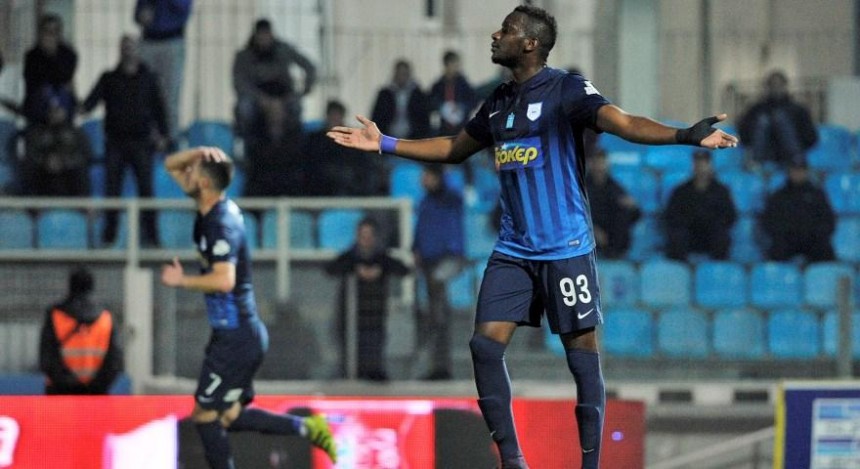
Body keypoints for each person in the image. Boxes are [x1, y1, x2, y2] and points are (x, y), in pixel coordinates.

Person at [327, 6, 737, 468]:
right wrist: (384, 143)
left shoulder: (566, 90)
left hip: (566, 248)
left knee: (581, 356)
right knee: (484, 346)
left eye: (506, 29)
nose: (495, 34)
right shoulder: (499, 101)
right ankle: (513, 460)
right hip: (514, 251)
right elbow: (455, 148)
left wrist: (685, 135)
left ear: (529, 43)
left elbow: (622, 122)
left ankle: (589, 464)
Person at [159, 146, 337, 468]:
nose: (185, 174)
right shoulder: (211, 206)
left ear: (204, 183)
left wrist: (182, 280)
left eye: (193, 171)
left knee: (205, 415)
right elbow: (170, 165)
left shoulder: (220, 224)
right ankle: (308, 427)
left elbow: (224, 279)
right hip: (234, 334)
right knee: (228, 414)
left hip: (236, 338)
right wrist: (199, 152)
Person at [81, 35, 168, 247]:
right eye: (125, 47)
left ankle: (152, 237)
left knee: (146, 191)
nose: (128, 51)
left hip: (141, 143)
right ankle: (109, 237)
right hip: (116, 142)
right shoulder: (109, 79)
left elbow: (160, 110)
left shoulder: (149, 79)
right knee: (112, 192)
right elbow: (89, 103)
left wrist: (164, 135)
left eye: (132, 47)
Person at [325, 217, 409, 381]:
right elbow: (331, 269)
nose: (366, 239)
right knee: (351, 350)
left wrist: (380, 270)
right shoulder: (350, 257)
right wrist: (356, 269)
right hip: (352, 315)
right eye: (363, 235)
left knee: (374, 348)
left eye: (369, 235)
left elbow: (403, 270)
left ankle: (374, 373)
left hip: (375, 314)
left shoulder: (382, 257)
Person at [413, 164, 465, 380]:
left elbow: (456, 194)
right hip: (427, 262)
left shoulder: (450, 199)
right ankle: (436, 366)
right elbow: (420, 230)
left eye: (427, 176)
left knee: (439, 314)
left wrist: (445, 173)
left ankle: (442, 367)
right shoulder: (425, 202)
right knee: (433, 314)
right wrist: (415, 249)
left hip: (446, 260)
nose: (423, 180)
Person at [39, 267, 123, 395]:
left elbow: (47, 358)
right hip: (95, 396)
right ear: (92, 286)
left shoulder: (55, 315)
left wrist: (68, 384)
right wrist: (95, 387)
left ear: (70, 286)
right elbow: (114, 361)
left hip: (60, 395)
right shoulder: (106, 318)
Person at [233, 18, 317, 145]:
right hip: (257, 97)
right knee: (245, 109)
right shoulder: (245, 56)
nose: (263, 39)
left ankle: (295, 144)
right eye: (260, 35)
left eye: (266, 35)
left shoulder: (284, 50)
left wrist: (304, 89)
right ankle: (247, 144)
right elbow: (239, 82)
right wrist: (261, 99)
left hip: (284, 95)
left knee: (296, 107)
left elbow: (309, 67)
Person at [135, 0, 193, 143]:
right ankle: (147, 138)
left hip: (171, 40)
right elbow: (139, 12)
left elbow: (183, 8)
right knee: (144, 93)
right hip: (149, 39)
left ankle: (171, 139)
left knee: (170, 96)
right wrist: (142, 15)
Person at [301, 100, 384, 196]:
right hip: (321, 184)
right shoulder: (315, 140)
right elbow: (311, 163)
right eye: (332, 115)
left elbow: (360, 163)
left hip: (348, 185)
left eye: (337, 115)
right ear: (327, 116)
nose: (334, 118)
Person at [664, 150, 737, 261]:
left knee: (721, 236)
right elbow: (671, 215)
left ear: (710, 166)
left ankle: (717, 267)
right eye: (698, 164)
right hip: (689, 233)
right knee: (677, 236)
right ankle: (680, 267)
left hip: (711, 233)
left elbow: (730, 215)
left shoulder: (721, 191)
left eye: (704, 164)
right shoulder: (681, 191)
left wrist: (713, 221)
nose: (701, 168)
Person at [737, 70, 818, 167]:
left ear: (785, 86)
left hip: (790, 153)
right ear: (767, 87)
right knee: (764, 120)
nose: (776, 89)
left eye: (779, 85)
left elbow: (810, 136)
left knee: (780, 118)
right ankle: (756, 161)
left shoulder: (797, 110)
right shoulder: (756, 110)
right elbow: (744, 133)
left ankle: (797, 160)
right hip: (763, 152)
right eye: (773, 85)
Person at [762, 160, 835, 263]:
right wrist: (783, 234)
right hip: (787, 240)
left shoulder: (817, 194)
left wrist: (816, 234)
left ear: (806, 172)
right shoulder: (779, 196)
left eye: (801, 170)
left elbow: (828, 220)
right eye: (795, 170)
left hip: (812, 240)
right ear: (789, 172)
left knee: (824, 252)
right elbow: (769, 220)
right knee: (777, 252)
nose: (797, 174)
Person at [21, 98, 91, 197]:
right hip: (45, 172)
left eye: (58, 110)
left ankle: (82, 203)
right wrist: (46, 161)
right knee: (29, 169)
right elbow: (31, 153)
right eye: (52, 111)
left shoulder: (76, 133)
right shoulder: (38, 132)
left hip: (68, 173)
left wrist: (64, 162)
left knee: (81, 170)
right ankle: (33, 203)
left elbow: (85, 154)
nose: (55, 114)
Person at [22, 14, 78, 126]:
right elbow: (35, 81)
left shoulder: (68, 55)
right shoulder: (32, 56)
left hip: (62, 103)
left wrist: (52, 55)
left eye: (55, 32)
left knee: (63, 91)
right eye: (47, 32)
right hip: (39, 105)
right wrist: (47, 55)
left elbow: (64, 77)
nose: (51, 36)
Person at [585, 149, 640, 259]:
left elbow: (635, 213)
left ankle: (616, 253)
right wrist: (592, 229)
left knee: (623, 214)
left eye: (602, 163)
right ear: (590, 165)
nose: (600, 168)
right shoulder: (581, 187)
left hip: (609, 237)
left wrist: (633, 206)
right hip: (587, 234)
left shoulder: (613, 186)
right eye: (597, 163)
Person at [370, 59, 431, 140]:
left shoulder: (418, 95)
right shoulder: (385, 94)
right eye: (399, 74)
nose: (401, 77)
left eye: (404, 74)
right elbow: (377, 117)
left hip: (413, 137)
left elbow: (424, 118)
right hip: (388, 136)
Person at [429, 50, 478, 136]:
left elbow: (473, 101)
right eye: (454, 65)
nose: (457, 68)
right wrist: (442, 107)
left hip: (461, 128)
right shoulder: (438, 85)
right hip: (444, 129)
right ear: (447, 65)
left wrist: (461, 107)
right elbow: (431, 102)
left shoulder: (464, 84)